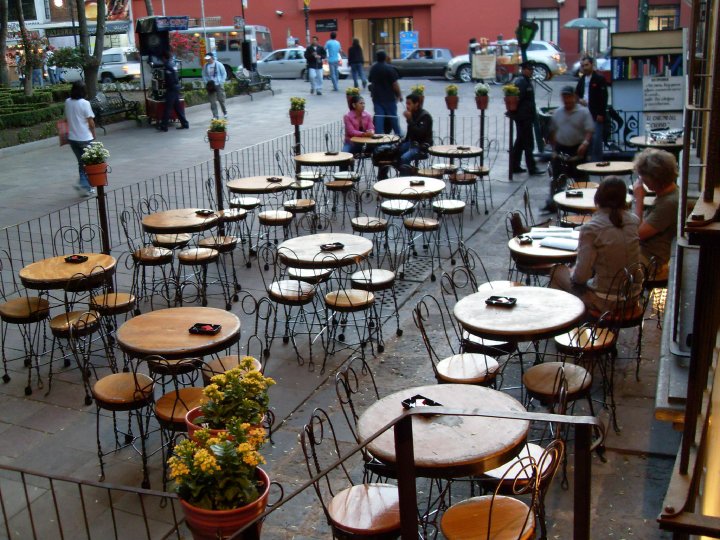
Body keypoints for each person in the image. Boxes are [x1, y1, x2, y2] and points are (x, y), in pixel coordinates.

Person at [550, 176, 640, 312]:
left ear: (597, 198)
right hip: (632, 297)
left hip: (605, 301)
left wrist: (573, 271)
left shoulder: (591, 229)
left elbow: (581, 277)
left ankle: (566, 323)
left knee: (556, 271)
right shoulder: (634, 221)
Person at [543, 85, 594, 212]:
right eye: (564, 97)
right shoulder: (558, 113)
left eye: (569, 97)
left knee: (581, 179)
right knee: (557, 179)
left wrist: (585, 143)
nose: (567, 100)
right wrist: (554, 149)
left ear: (574, 97)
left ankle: (584, 204)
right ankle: (553, 204)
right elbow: (553, 131)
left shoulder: (583, 112)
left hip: (578, 148)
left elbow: (589, 130)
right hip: (561, 149)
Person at [632, 148, 679, 277]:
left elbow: (637, 234)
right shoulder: (668, 194)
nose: (641, 181)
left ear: (654, 180)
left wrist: (639, 199)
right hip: (645, 252)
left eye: (643, 178)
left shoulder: (668, 203)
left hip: (652, 260)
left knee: (605, 256)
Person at [509, 60, 543, 175]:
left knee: (520, 142)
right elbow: (517, 99)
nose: (531, 71)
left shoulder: (526, 81)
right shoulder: (521, 82)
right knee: (528, 143)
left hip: (526, 116)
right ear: (523, 70)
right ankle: (532, 168)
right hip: (523, 117)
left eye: (532, 69)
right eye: (529, 69)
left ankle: (514, 165)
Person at [65, 81, 97, 197]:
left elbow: (67, 118)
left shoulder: (67, 102)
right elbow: (91, 122)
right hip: (85, 138)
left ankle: (86, 187)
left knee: (81, 162)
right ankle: (83, 184)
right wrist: (93, 134)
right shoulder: (85, 103)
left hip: (72, 138)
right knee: (89, 163)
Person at [575, 56, 609, 162]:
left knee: (596, 139)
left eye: (586, 65)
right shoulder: (582, 79)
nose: (584, 68)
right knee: (586, 139)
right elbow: (576, 94)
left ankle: (597, 161)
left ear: (592, 65)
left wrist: (601, 114)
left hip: (595, 114)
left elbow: (604, 98)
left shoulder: (599, 79)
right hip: (584, 113)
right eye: (582, 65)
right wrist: (580, 100)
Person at [368, 50, 402, 136]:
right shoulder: (389, 68)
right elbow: (395, 84)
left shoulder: (373, 68)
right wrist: (399, 95)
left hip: (377, 97)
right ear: (385, 57)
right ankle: (398, 133)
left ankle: (378, 135)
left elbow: (370, 80)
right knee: (393, 116)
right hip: (389, 97)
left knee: (379, 116)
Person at [397, 93, 433, 175]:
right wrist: (402, 142)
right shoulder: (412, 113)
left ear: (416, 104)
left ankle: (405, 179)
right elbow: (409, 133)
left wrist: (410, 120)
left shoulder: (425, 116)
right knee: (394, 152)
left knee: (404, 158)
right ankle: (408, 172)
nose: (407, 106)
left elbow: (420, 134)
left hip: (421, 145)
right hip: (411, 143)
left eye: (409, 103)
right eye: (406, 103)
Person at [158, 52, 189, 132]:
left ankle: (164, 126)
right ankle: (185, 123)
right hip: (176, 88)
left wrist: (166, 87)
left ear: (164, 58)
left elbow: (170, 79)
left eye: (162, 58)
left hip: (171, 89)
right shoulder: (172, 64)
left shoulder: (167, 66)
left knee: (168, 108)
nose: (161, 60)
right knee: (177, 108)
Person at [202, 54, 228, 120]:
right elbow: (204, 75)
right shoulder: (205, 66)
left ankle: (225, 112)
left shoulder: (219, 64)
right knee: (212, 101)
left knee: (221, 99)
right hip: (210, 85)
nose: (207, 60)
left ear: (212, 58)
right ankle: (215, 115)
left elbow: (224, 73)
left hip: (218, 84)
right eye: (206, 59)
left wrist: (221, 82)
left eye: (209, 58)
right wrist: (206, 82)